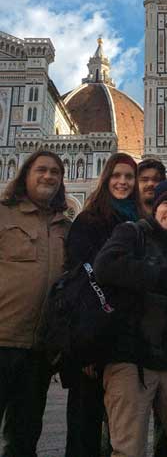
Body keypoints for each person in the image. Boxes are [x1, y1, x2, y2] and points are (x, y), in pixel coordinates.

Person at [94, 180, 167, 457]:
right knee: (128, 450)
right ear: (155, 207)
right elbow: (106, 267)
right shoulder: (131, 233)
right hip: (130, 359)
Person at [64, 153, 138, 457]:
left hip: (125, 337)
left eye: (128, 177)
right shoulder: (89, 219)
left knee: (121, 428)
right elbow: (80, 280)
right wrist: (85, 346)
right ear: (105, 177)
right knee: (85, 424)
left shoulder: (140, 220)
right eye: (116, 176)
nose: (122, 182)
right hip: (92, 335)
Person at [0, 151, 70, 457]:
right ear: (24, 173)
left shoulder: (64, 227)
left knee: (25, 434)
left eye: (55, 172)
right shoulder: (3, 213)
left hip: (38, 350)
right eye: (41, 170)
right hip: (2, 339)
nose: (48, 176)